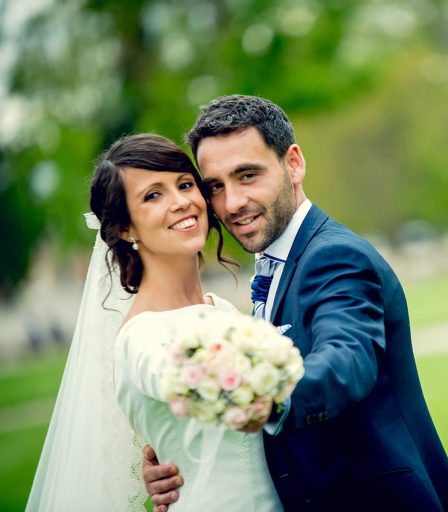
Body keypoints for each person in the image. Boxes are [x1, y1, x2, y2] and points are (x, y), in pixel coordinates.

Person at [144, 95, 448, 511]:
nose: (232, 203)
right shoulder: (277, 261)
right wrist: (183, 456)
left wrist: (246, 390)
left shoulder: (334, 257)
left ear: (293, 164)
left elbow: (346, 360)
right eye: (216, 187)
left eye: (247, 175)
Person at [26, 134, 284, 511]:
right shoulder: (143, 339)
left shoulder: (222, 310)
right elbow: (214, 389)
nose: (181, 202)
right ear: (126, 229)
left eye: (183, 184)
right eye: (153, 195)